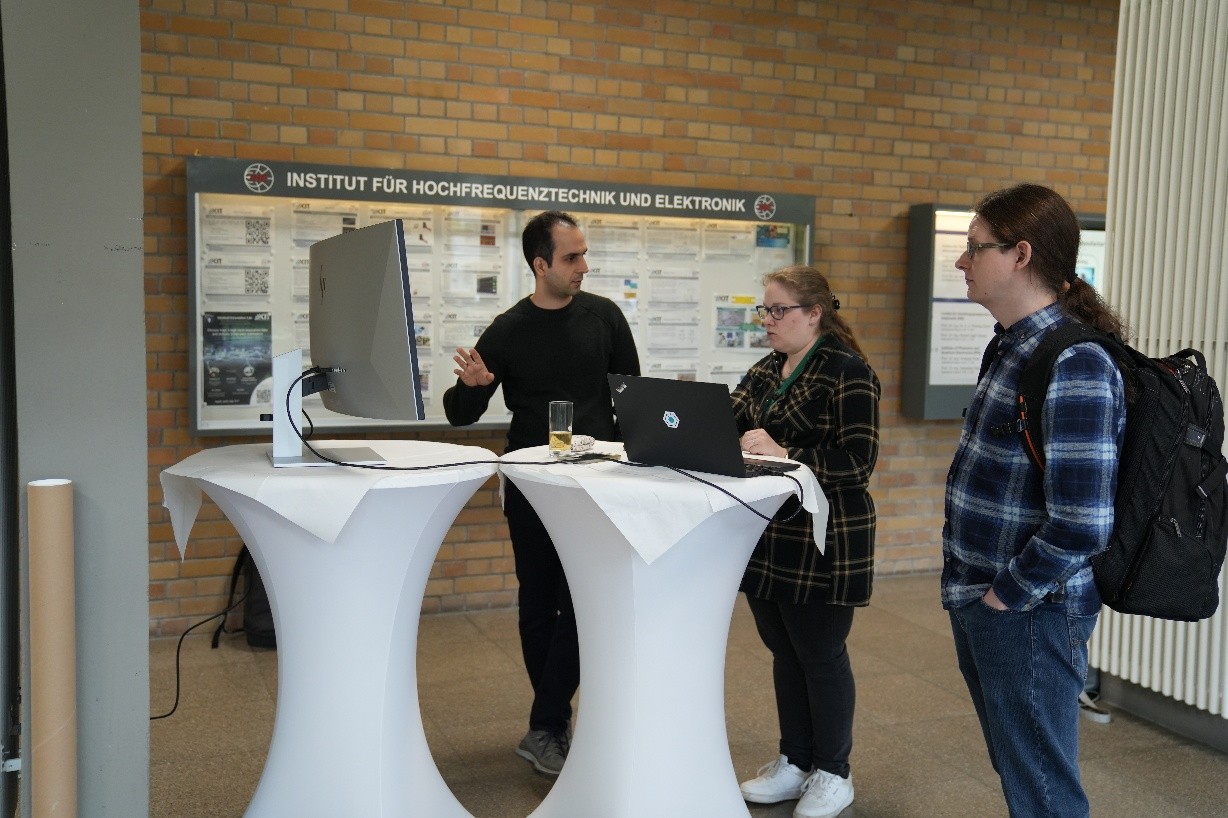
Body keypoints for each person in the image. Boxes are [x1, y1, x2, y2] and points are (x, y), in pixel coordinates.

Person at [943, 183, 1127, 817]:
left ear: (1020, 254)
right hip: (986, 597)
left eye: (974, 249)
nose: (961, 262)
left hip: (1029, 609)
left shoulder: (1074, 361)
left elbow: (1083, 523)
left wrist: (1004, 598)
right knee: (1021, 771)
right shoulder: (1010, 345)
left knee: (1042, 788)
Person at [442, 210, 640, 776]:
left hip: (597, 482)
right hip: (531, 486)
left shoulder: (605, 317)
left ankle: (546, 720)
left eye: (584, 254)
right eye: (572, 257)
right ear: (540, 264)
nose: (584, 266)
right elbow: (459, 415)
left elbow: (631, 396)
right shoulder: (508, 329)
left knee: (584, 601)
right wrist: (474, 387)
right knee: (538, 602)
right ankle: (550, 723)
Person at [733, 265, 880, 818]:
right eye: (764, 311)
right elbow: (729, 418)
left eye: (777, 311)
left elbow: (857, 462)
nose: (767, 321)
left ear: (814, 313)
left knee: (820, 655)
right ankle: (795, 761)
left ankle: (833, 773)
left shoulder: (849, 372)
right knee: (783, 651)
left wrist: (785, 455)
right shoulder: (769, 367)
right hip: (770, 535)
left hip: (825, 538)